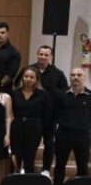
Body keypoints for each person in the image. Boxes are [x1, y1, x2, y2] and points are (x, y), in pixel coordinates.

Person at [29, 45, 67, 174]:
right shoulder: (29, 70)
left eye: (46, 55)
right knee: (31, 143)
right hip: (33, 114)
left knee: (49, 143)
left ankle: (45, 170)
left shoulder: (58, 74)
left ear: (51, 57)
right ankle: (28, 168)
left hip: (51, 115)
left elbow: (64, 93)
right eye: (41, 54)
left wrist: (51, 91)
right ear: (37, 54)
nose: (43, 57)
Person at [52, 67, 91, 185]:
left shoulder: (90, 96)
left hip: (82, 137)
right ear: (69, 77)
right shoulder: (61, 94)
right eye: (73, 75)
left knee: (82, 167)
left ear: (84, 77)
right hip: (63, 135)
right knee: (59, 165)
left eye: (79, 75)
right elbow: (54, 114)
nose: (75, 77)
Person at [11, 67, 49, 174]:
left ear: (36, 79)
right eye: (26, 76)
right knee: (16, 157)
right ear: (22, 78)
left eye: (32, 77)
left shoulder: (43, 94)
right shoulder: (15, 93)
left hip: (34, 128)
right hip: (17, 127)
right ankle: (14, 181)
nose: (28, 79)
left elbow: (46, 115)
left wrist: (43, 132)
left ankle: (29, 182)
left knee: (30, 158)